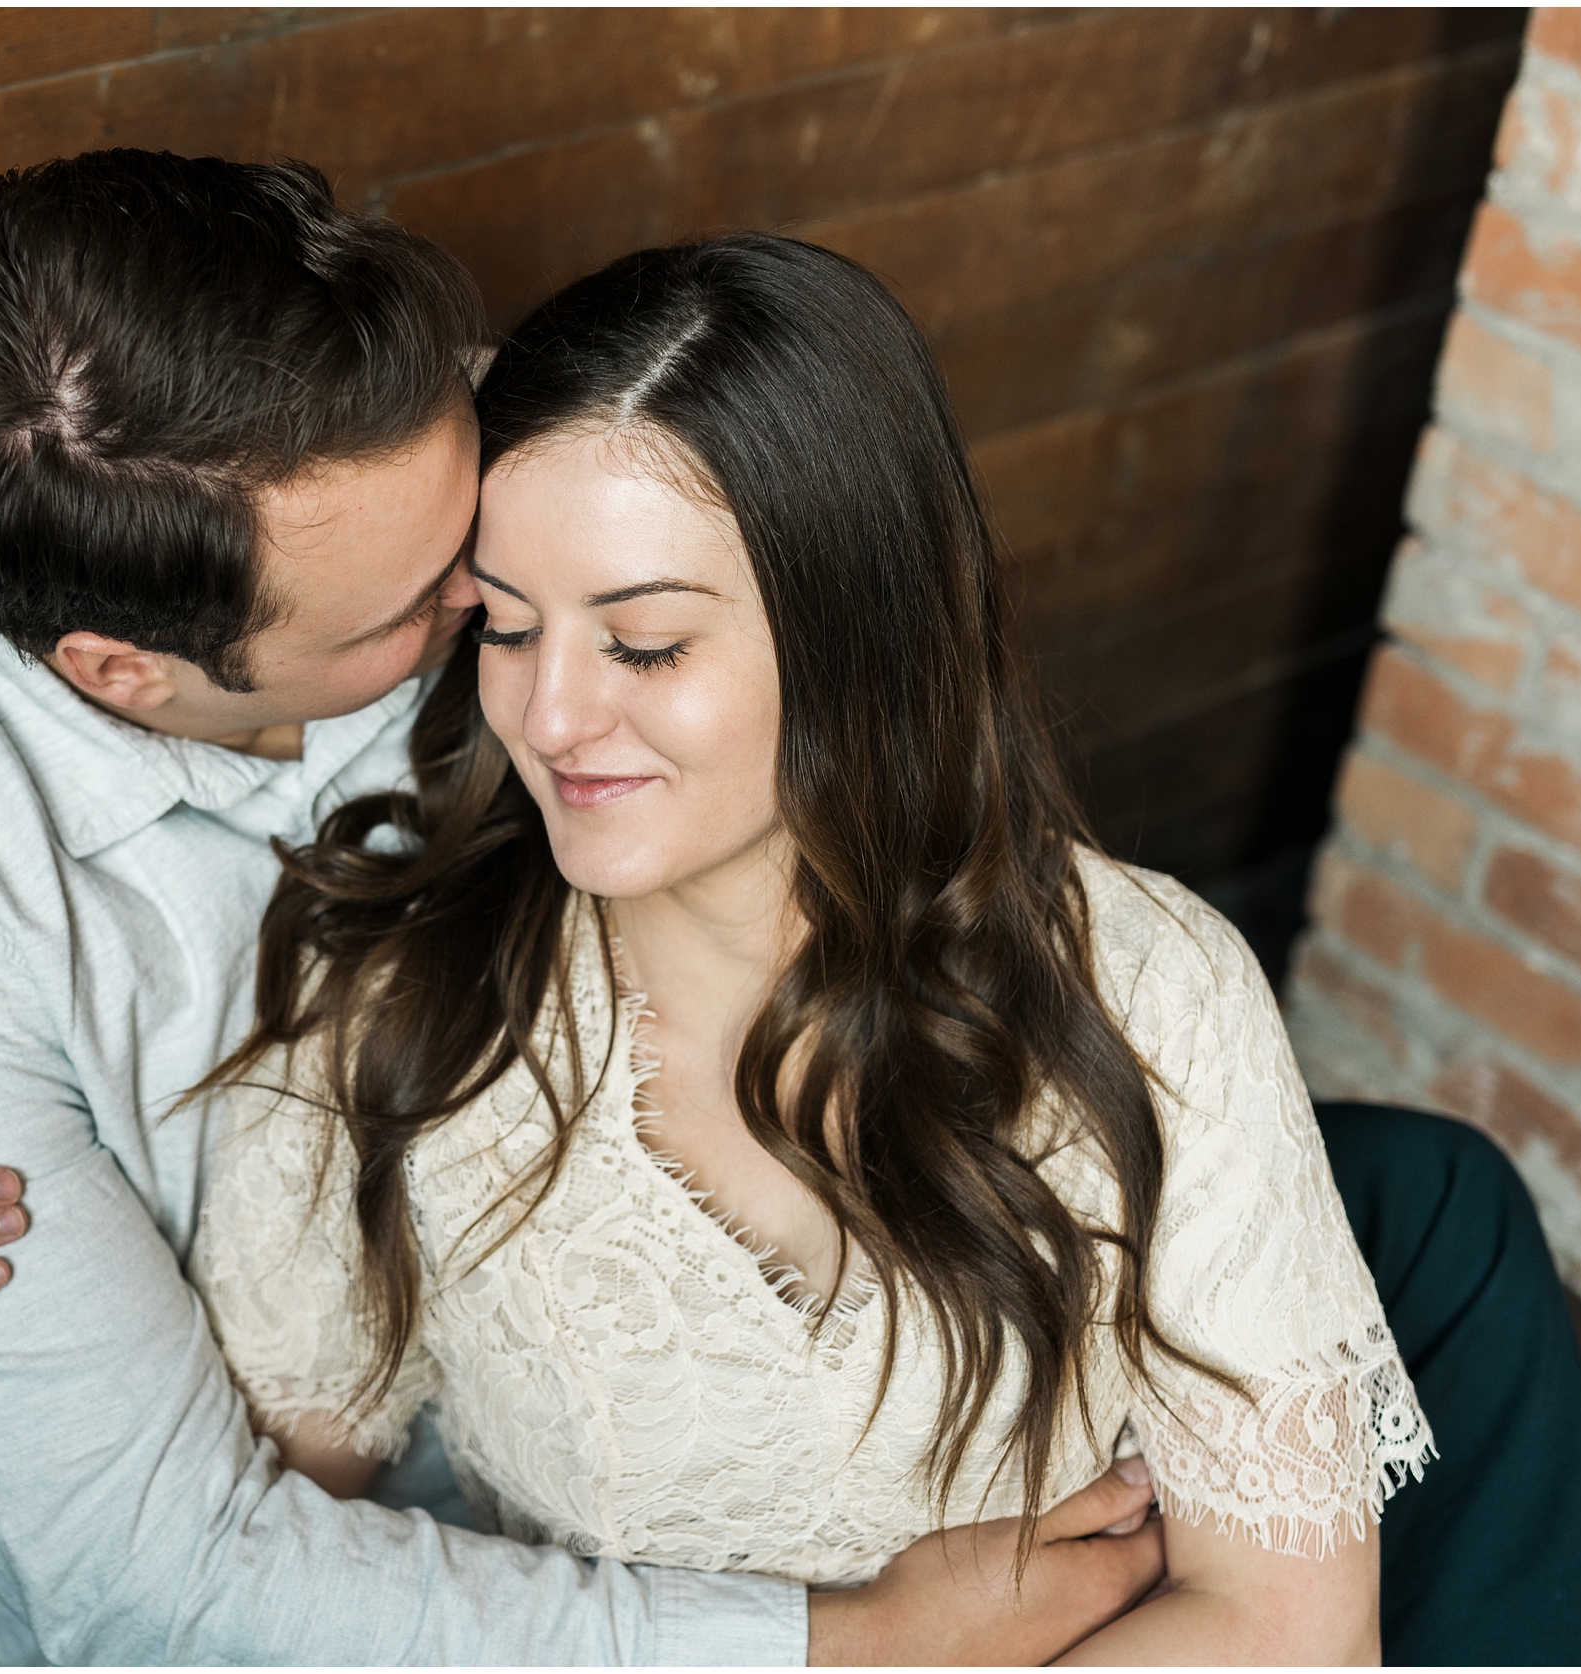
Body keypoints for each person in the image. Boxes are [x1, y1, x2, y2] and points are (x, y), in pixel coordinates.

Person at [0, 153, 1581, 1665]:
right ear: (136, 668)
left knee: (1437, 1204)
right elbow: (180, 1570)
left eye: (624, 631)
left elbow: (1287, 1634)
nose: (521, 697)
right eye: (477, 617)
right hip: (452, 1598)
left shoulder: (420, 456)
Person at [192, 231, 1415, 1661]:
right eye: (508, 629)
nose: (551, 716)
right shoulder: (398, 1017)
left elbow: (1287, 1628)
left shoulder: (1155, 986)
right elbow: (249, 1568)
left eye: (643, 643)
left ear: (856, 630)